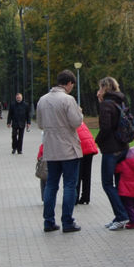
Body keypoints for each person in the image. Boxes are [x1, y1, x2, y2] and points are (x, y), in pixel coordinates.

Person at [37, 70, 83, 233]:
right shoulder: (68, 99)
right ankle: (67, 221)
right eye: (72, 85)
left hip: (51, 149)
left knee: (51, 185)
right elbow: (76, 122)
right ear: (69, 83)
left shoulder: (42, 100)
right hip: (68, 149)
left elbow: (40, 124)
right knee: (70, 185)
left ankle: (48, 221)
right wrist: (80, 113)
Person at [95, 76, 131, 230]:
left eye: (100, 88)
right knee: (119, 184)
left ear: (104, 88)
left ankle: (122, 216)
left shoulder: (106, 105)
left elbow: (105, 128)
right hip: (124, 146)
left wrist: (98, 141)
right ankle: (120, 215)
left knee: (107, 184)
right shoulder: (121, 100)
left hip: (111, 149)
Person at [115, 145, 134, 229]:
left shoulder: (124, 164)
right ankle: (133, 220)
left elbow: (116, 169)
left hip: (126, 188)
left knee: (128, 206)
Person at [75, 121, 98, 205]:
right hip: (89, 147)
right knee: (87, 174)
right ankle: (86, 197)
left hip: (82, 149)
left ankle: (75, 198)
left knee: (78, 174)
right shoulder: (81, 121)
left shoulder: (70, 121)